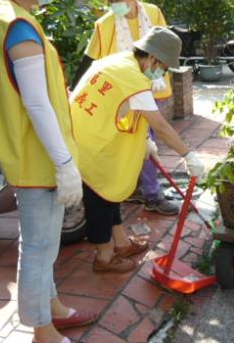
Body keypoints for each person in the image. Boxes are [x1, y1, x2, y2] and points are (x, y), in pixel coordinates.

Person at [0, 0, 97, 343]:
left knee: (42, 243)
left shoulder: (1, 12)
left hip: (27, 152)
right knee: (40, 248)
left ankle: (52, 305)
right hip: (38, 156)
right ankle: (41, 329)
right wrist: (64, 164)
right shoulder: (20, 27)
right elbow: (37, 105)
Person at [70, 27, 205, 273]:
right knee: (100, 196)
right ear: (153, 58)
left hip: (89, 132)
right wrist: (188, 154)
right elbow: (160, 125)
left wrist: (143, 140)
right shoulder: (134, 76)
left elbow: (124, 108)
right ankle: (104, 257)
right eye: (163, 67)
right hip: (90, 142)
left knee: (110, 191)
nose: (161, 74)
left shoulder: (121, 62)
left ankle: (120, 243)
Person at [71, 0, 180, 215]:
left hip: (152, 86)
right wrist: (74, 89)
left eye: (120, 0)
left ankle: (146, 191)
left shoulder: (152, 13)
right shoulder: (105, 24)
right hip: (122, 92)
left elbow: (165, 45)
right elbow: (89, 60)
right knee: (134, 139)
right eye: (112, 1)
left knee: (145, 137)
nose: (115, 6)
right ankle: (142, 191)